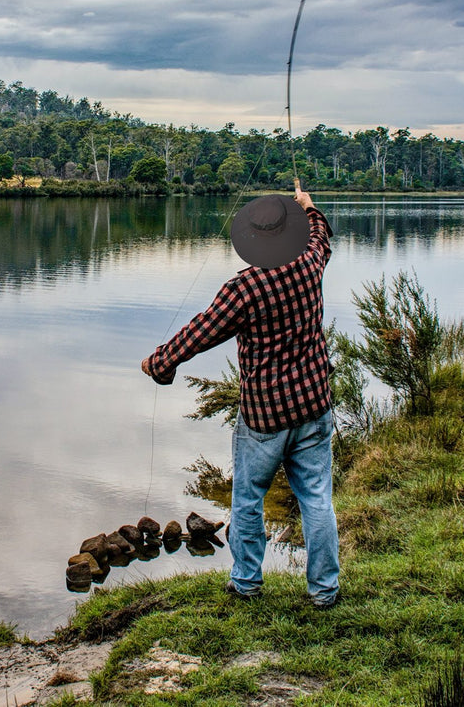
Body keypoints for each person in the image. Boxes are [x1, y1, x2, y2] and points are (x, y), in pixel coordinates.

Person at [141, 180, 339, 608]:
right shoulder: (310, 263)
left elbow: (202, 331)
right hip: (313, 405)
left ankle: (247, 582)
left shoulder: (245, 288)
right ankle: (324, 591)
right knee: (317, 499)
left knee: (248, 500)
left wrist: (161, 362)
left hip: (265, 416)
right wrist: (309, 207)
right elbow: (322, 236)